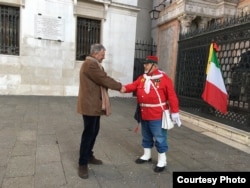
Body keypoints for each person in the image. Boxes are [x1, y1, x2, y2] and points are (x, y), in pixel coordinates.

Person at [120, 55, 181, 173]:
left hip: (157, 114)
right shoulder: (142, 78)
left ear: (154, 65)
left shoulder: (164, 78)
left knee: (159, 137)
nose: (145, 65)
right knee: (146, 135)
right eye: (145, 63)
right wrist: (121, 87)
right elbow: (133, 86)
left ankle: (162, 159)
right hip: (144, 113)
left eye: (147, 64)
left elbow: (172, 96)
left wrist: (175, 112)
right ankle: (147, 155)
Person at [77, 43, 122, 179]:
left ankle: (89, 155)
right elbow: (103, 79)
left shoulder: (94, 64)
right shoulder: (90, 65)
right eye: (102, 55)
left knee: (94, 131)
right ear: (96, 53)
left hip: (94, 104)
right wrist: (120, 87)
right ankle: (82, 163)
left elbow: (102, 79)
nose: (104, 57)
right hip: (90, 105)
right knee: (88, 133)